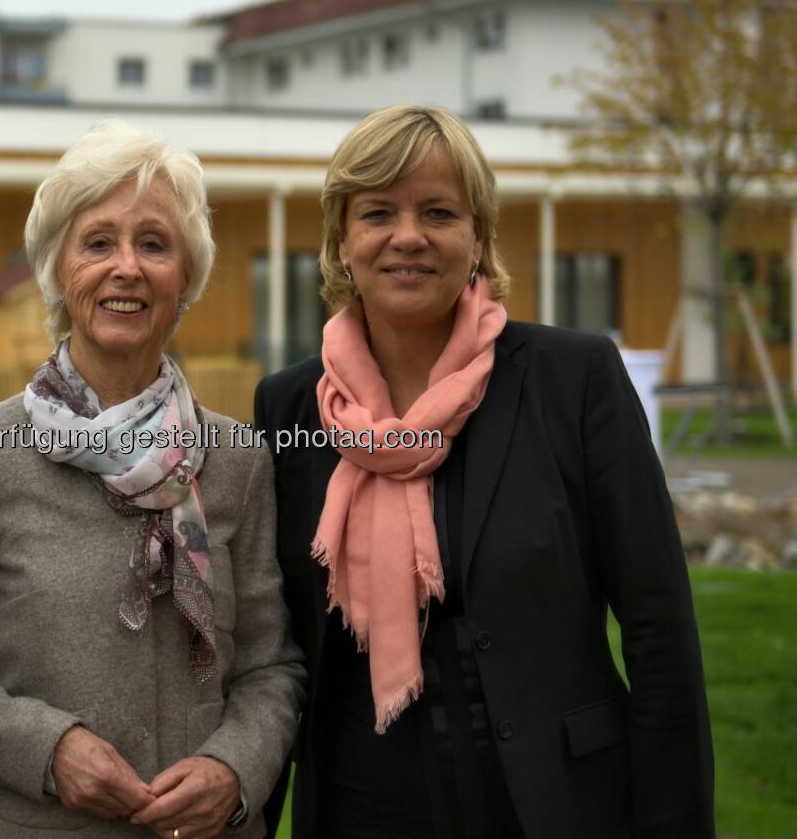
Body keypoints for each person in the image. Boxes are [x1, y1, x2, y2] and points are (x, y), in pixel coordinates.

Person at [254, 105, 714, 839]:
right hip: (359, 807)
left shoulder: (574, 380)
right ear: (342, 242)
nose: (408, 236)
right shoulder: (288, 406)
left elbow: (660, 629)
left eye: (439, 211)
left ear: (478, 238)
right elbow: (278, 643)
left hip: (552, 806)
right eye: (377, 212)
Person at [0, 120, 305, 839]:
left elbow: (273, 667)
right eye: (99, 242)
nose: (127, 268)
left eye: (154, 243)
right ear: (57, 267)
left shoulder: (237, 461)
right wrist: (48, 748)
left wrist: (235, 769)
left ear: (187, 276)